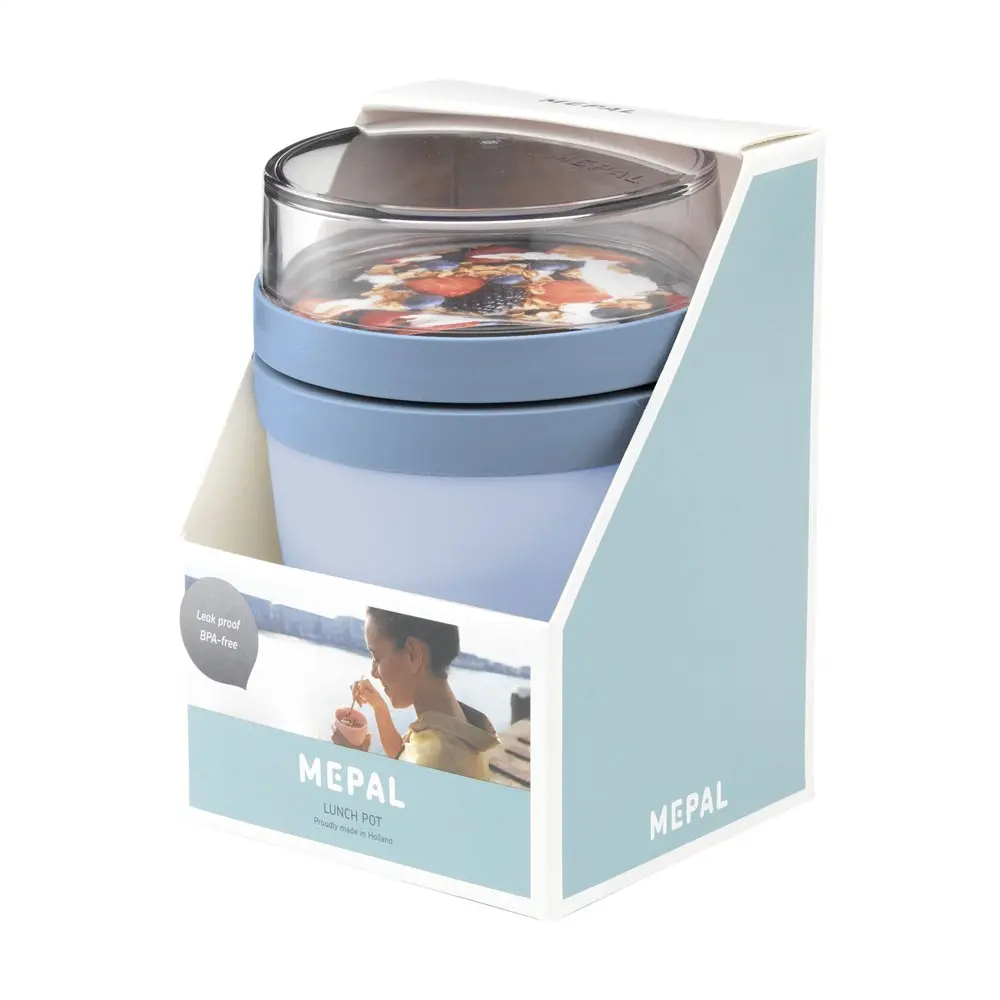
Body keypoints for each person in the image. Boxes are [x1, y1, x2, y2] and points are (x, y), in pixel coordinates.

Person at [332, 608, 500, 781]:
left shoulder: (436, 762)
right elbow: (403, 755)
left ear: (413, 654)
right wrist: (379, 707)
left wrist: (351, 760)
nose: (373, 672)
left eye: (377, 658)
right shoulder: (456, 725)